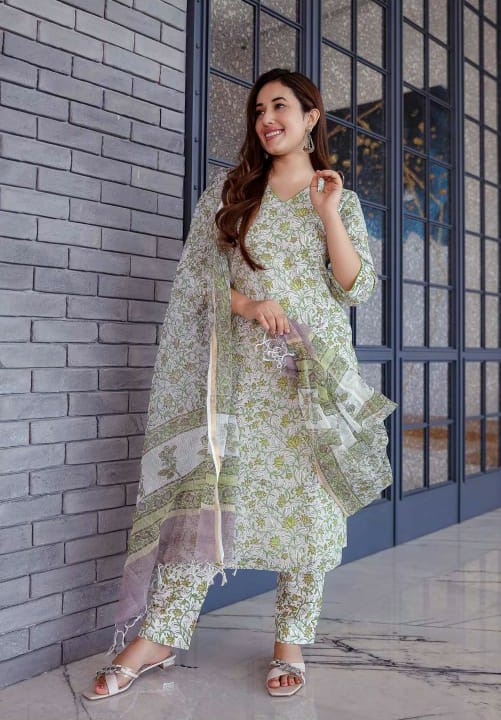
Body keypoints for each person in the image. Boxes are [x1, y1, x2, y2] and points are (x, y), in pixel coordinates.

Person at [82, 67, 397, 701]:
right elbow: (196, 283)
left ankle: (291, 640)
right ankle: (160, 635)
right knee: (209, 500)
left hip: (313, 375)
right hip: (240, 378)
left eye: (280, 107)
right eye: (258, 111)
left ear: (311, 117)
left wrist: (328, 213)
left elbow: (355, 286)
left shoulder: (337, 197)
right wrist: (250, 305)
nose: (266, 120)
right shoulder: (231, 193)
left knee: (309, 506)